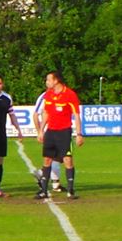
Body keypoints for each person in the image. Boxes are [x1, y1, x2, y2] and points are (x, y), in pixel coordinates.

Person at [35, 71, 82, 200]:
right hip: (51, 132)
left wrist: (79, 134)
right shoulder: (48, 94)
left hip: (64, 132)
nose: (46, 82)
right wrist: (41, 130)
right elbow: (46, 112)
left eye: (48, 80)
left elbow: (76, 115)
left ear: (56, 81)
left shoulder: (70, 94)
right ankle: (44, 190)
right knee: (47, 159)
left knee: (67, 160)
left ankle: (70, 190)